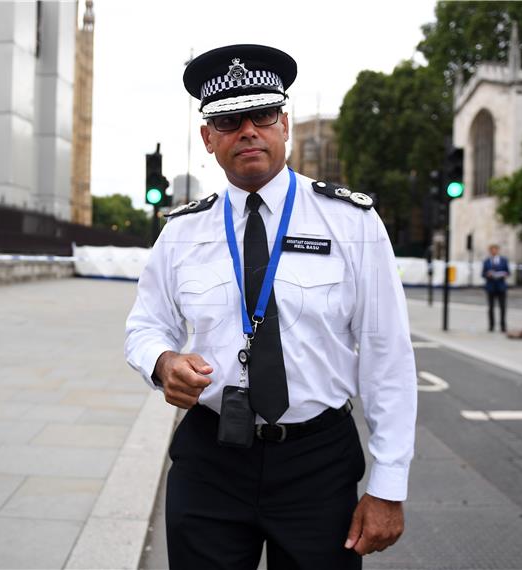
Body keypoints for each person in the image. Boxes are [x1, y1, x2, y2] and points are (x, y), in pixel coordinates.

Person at [125, 44, 417, 569]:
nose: (249, 130)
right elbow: (146, 325)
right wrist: (162, 362)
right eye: (230, 120)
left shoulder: (350, 222)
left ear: (284, 122)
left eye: (262, 115)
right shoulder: (181, 231)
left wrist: (389, 484)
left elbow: (387, 354)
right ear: (208, 138)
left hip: (317, 463)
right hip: (210, 459)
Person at [482, 244, 509, 332]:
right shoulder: (486, 261)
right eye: (492, 250)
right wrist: (487, 274)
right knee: (491, 307)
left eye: (495, 250)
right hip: (491, 286)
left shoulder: (503, 260)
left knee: (503, 307)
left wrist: (504, 274)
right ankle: (491, 325)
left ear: (498, 250)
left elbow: (507, 271)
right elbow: (483, 273)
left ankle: (503, 326)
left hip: (501, 286)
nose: (493, 251)